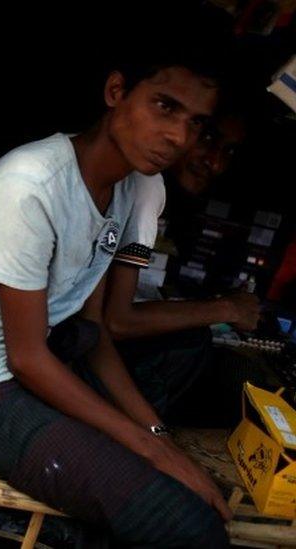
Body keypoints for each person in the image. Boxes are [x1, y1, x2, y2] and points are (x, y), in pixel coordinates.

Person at [0, 42, 233, 545]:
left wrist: (155, 435)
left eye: (196, 122)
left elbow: (90, 331)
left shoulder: (136, 187)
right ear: (116, 92)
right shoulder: (30, 187)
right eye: (164, 106)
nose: (179, 136)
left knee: (189, 356)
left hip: (55, 357)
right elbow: (24, 358)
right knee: (190, 527)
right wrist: (153, 452)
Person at [104, 104, 262, 425]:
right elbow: (116, 322)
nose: (215, 163)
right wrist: (226, 309)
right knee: (195, 347)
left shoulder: (157, 195)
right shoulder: (144, 186)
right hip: (73, 362)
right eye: (207, 138)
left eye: (228, 151)